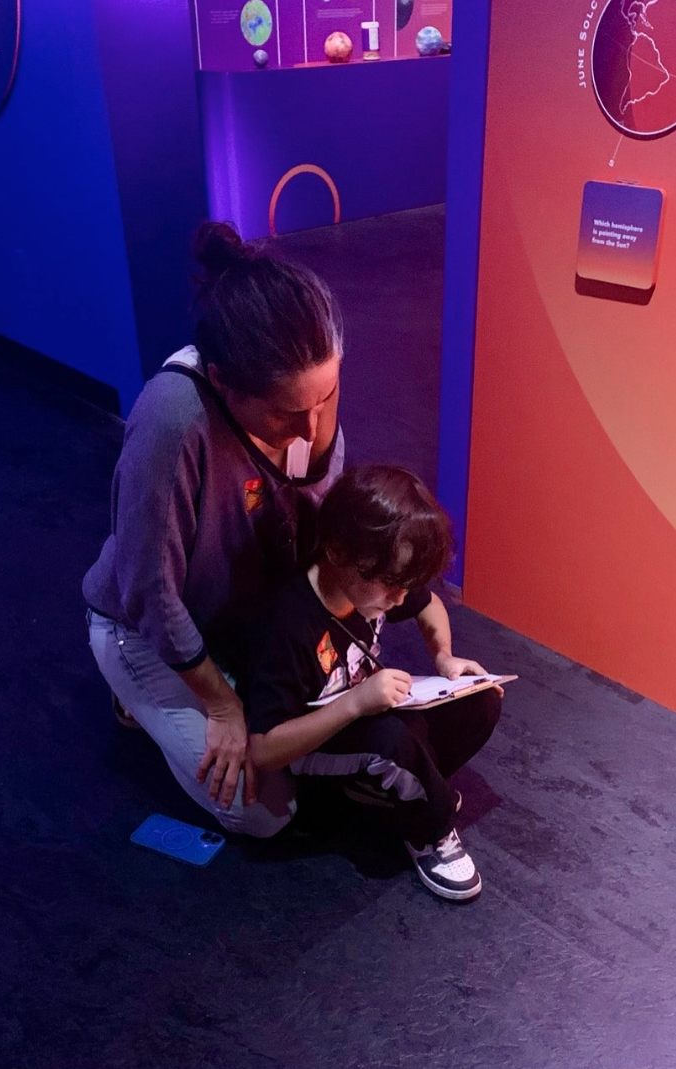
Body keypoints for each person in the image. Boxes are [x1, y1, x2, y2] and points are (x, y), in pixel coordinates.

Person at [83, 222, 344, 836]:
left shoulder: (311, 380)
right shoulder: (174, 419)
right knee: (263, 812)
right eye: (287, 412)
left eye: (326, 397)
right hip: (146, 629)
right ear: (226, 381)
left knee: (312, 749)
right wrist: (222, 704)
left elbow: (315, 499)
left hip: (241, 614)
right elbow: (148, 590)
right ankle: (136, 698)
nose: (311, 428)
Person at [241, 465, 502, 901]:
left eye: (405, 584)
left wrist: (444, 657)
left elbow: (428, 603)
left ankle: (404, 793)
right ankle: (429, 828)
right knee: (391, 740)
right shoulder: (288, 623)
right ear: (340, 553)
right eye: (390, 584)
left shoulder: (371, 585)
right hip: (313, 750)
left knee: (482, 700)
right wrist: (354, 705)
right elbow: (264, 749)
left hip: (366, 710)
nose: (399, 598)